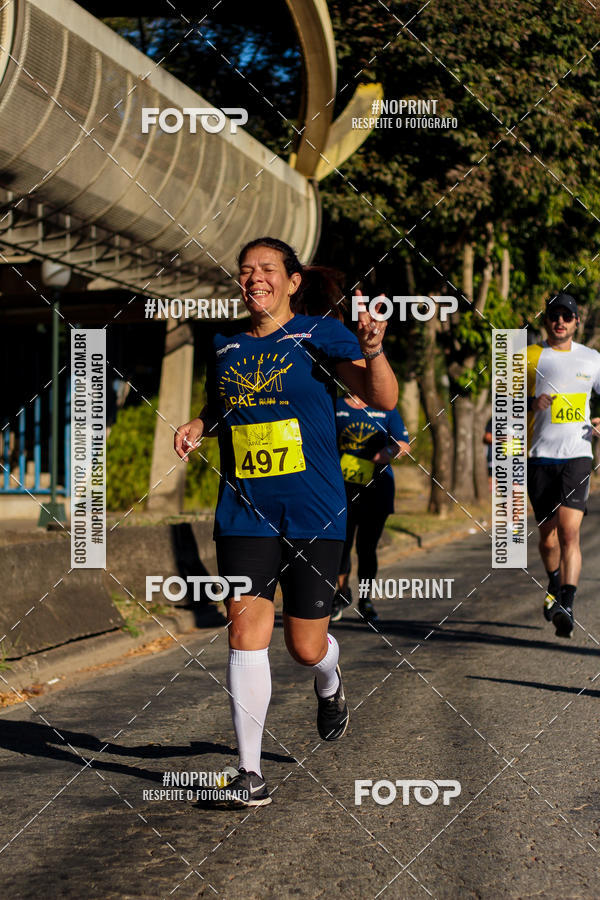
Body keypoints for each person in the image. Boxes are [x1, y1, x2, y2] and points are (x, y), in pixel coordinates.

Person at [174, 237, 398, 805]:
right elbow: (222, 406)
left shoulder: (320, 334)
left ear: (293, 281)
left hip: (315, 512)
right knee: (244, 630)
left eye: (267, 270)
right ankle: (249, 773)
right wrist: (201, 425)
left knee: (304, 646)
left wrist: (373, 349)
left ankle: (330, 679)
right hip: (244, 512)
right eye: (246, 271)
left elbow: (381, 395)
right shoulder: (224, 343)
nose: (255, 279)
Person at [527, 293, 600, 638]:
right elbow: (503, 400)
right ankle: (554, 582)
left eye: (567, 316)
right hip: (539, 456)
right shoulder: (528, 356)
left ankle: (566, 603)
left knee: (570, 532)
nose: (560, 321)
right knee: (548, 538)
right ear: (546, 320)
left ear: (575, 322)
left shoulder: (592, 358)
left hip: (577, 454)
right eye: (554, 316)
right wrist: (531, 401)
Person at [331, 396, 410, 623]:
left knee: (366, 548)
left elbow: (404, 444)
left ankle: (365, 599)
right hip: (342, 489)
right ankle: (342, 593)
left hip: (377, 489)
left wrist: (390, 452)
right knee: (341, 546)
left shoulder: (385, 407)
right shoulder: (335, 405)